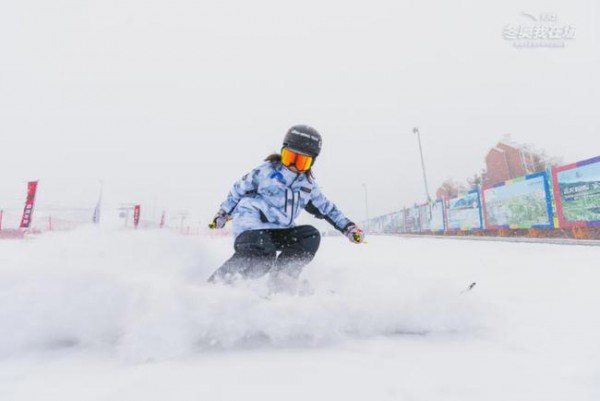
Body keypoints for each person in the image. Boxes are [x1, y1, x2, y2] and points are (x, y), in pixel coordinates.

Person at [208, 125, 364, 285]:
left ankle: (281, 278)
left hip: (279, 230)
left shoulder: (307, 186)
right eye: (290, 158)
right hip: (252, 228)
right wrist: (223, 213)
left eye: (302, 162)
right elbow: (237, 191)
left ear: (311, 163)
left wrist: (349, 228)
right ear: (283, 152)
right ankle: (218, 283)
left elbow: (328, 209)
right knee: (263, 254)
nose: (294, 166)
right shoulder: (264, 172)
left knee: (310, 235)